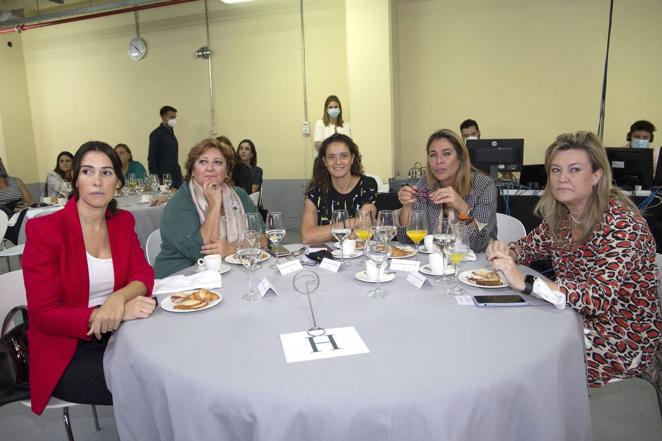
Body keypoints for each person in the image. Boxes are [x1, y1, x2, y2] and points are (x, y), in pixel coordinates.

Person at [486, 131, 661, 387]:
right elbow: (526, 248)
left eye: (575, 169)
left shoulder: (623, 225)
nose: (562, 178)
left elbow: (597, 298)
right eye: (555, 170)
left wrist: (525, 281)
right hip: (570, 318)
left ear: (596, 176)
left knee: (521, 363)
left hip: (619, 340)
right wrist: (505, 251)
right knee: (503, 336)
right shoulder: (563, 217)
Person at [22, 141, 156, 415]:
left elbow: (143, 274)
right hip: (66, 351)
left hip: (120, 335)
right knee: (151, 385)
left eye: (106, 173)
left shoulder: (122, 222)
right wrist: (108, 314)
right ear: (75, 179)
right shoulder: (45, 230)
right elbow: (43, 314)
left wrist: (117, 299)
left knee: (170, 365)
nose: (97, 181)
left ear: (118, 182)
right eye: (87, 171)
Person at [154, 138, 264, 278]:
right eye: (203, 162)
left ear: (227, 171)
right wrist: (214, 205)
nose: (210, 168)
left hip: (230, 275)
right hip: (180, 281)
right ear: (192, 170)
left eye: (217, 162)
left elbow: (263, 237)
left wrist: (233, 249)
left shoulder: (239, 195)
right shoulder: (180, 202)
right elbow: (202, 251)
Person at [397, 129, 497, 252]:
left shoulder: (484, 186)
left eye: (447, 153)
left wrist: (462, 207)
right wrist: (407, 207)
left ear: (461, 157)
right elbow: (405, 239)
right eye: (433, 155)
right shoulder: (424, 184)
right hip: (432, 263)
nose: (439, 161)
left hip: (477, 264)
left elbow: (478, 244)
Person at [301, 133, 377, 244]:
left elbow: (364, 224)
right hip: (327, 258)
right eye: (331, 157)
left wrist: (328, 232)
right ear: (324, 161)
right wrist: (349, 223)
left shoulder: (367, 185)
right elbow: (307, 236)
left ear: (352, 158)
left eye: (344, 156)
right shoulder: (315, 191)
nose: (338, 162)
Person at [148, 105, 183, 189]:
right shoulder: (156, 134)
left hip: (176, 177)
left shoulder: (171, 134)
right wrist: (155, 179)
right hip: (164, 179)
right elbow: (152, 157)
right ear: (163, 117)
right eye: (171, 117)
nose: (174, 120)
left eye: (175, 117)